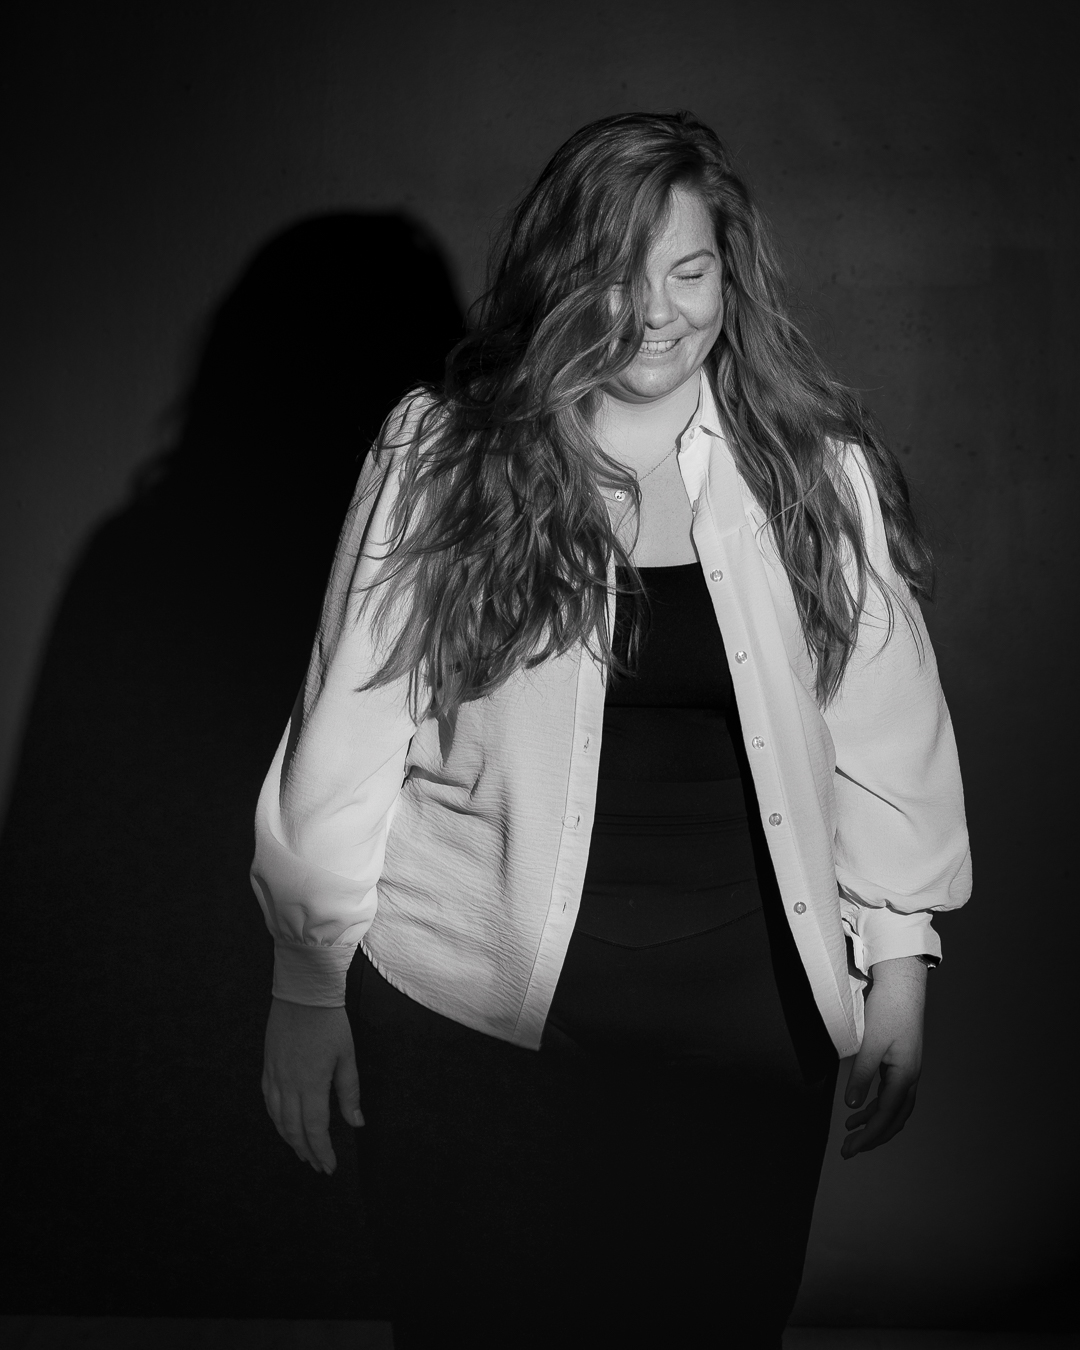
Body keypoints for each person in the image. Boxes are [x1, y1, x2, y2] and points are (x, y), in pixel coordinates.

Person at [251, 111, 971, 1348]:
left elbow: (887, 731)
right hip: (472, 1026)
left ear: (730, 276)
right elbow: (348, 726)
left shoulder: (812, 469)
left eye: (689, 271)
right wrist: (306, 986)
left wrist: (898, 956)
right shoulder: (444, 454)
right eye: (617, 276)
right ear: (560, 278)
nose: (656, 312)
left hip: (747, 1047)